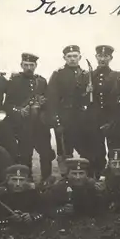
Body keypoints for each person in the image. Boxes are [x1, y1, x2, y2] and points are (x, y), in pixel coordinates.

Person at [3, 53, 56, 181]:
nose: (28, 67)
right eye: (26, 65)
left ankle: (46, 180)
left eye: (31, 65)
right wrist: (19, 110)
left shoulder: (41, 81)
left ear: (36, 66)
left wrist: (43, 105)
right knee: (25, 155)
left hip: (40, 126)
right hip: (23, 125)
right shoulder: (14, 81)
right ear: (21, 65)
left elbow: (48, 101)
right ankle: (27, 181)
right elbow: (7, 105)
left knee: (46, 154)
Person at [46, 45, 95, 177]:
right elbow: (51, 99)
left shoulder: (86, 74)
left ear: (80, 57)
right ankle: (65, 179)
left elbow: (87, 101)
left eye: (75, 56)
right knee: (64, 153)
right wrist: (56, 122)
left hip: (81, 119)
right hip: (64, 119)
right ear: (64, 58)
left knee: (86, 151)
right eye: (69, 56)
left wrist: (88, 92)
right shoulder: (58, 74)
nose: (72, 59)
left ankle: (84, 179)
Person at [83, 45, 119, 178]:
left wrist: (113, 119)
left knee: (113, 147)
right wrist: (86, 92)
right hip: (94, 118)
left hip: (111, 118)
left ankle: (113, 176)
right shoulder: (88, 76)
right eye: (100, 56)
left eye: (106, 56)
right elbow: (80, 99)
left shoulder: (116, 76)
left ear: (111, 58)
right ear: (96, 57)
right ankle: (96, 176)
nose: (103, 59)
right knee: (96, 150)